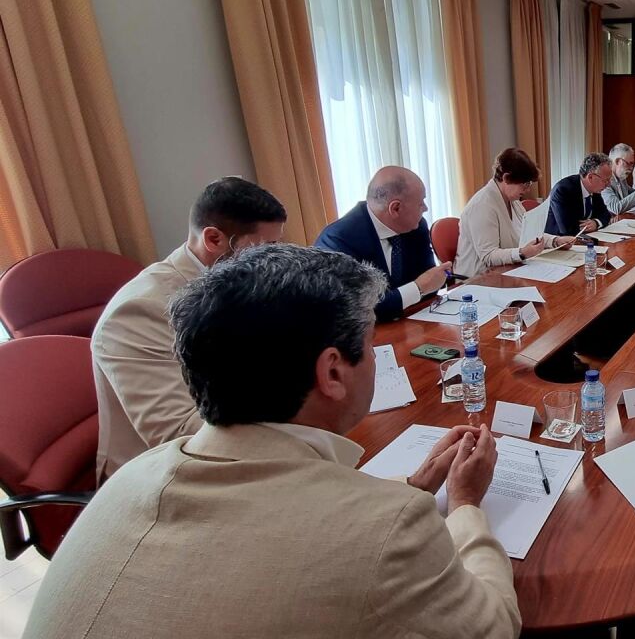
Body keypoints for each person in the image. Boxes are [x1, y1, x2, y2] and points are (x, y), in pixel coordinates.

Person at [25, 245, 519, 638]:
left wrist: (415, 483)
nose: (375, 359)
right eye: (370, 346)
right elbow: (494, 626)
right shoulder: (387, 531)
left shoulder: (132, 474)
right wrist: (464, 504)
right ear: (332, 372)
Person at [92, 177, 286, 484]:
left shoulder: (239, 281)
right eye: (264, 249)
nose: (271, 260)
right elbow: (178, 431)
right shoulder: (139, 311)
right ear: (214, 239)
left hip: (237, 440)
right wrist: (293, 424)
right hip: (161, 475)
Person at [315, 166, 450, 322]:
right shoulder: (337, 241)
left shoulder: (416, 227)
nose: (425, 208)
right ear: (396, 208)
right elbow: (360, 308)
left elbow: (431, 284)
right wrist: (418, 288)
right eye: (421, 203)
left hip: (411, 321)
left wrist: (425, 286)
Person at [455, 148, 576, 277]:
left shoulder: (513, 201)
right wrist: (522, 253)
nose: (528, 189)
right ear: (506, 178)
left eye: (529, 184)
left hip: (508, 270)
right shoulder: (482, 205)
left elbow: (528, 235)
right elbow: (489, 256)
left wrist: (555, 241)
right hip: (478, 278)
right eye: (525, 184)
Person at [545, 152, 614, 235]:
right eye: (606, 180)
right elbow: (567, 229)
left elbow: (606, 214)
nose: (609, 184)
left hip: (585, 236)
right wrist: (587, 227)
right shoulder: (563, 190)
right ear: (590, 177)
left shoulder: (595, 189)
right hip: (559, 239)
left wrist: (596, 223)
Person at [602, 143, 635, 215]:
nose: (631, 168)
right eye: (629, 163)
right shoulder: (604, 180)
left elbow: (630, 193)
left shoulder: (621, 176)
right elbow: (615, 208)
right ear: (618, 161)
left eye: (632, 164)